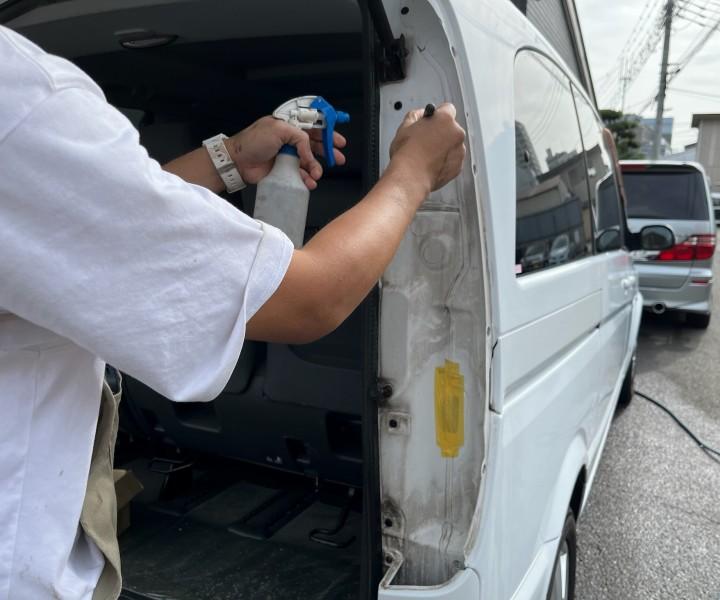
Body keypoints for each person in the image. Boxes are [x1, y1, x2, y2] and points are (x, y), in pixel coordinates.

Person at [0, 24, 466, 600]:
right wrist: (413, 174)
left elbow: (75, 229)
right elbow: (306, 298)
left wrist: (227, 160)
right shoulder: (20, 97)